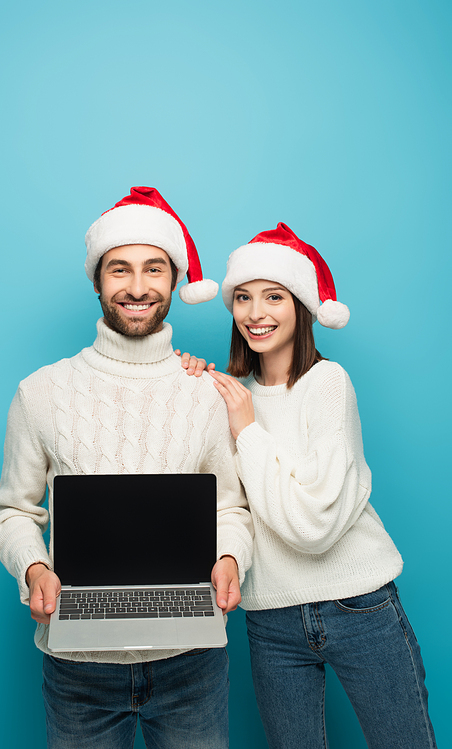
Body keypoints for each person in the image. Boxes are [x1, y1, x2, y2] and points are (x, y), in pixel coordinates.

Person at [0, 186, 253, 749]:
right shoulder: (41, 392)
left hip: (192, 664)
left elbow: (230, 506)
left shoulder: (203, 393)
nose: (137, 287)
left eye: (154, 269)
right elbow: (15, 510)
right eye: (120, 270)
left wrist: (231, 556)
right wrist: (34, 570)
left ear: (176, 279)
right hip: (78, 667)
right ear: (96, 280)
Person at [186, 222, 437, 748]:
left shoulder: (327, 384)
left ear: (300, 306)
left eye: (273, 297)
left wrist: (248, 432)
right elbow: (215, 497)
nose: (256, 314)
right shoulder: (230, 399)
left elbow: (313, 525)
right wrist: (183, 376)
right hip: (270, 616)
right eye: (244, 298)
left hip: (357, 604)